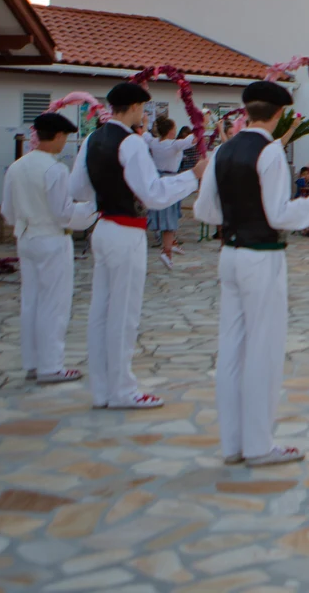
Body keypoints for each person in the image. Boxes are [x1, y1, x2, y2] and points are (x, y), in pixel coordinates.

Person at [195, 81, 309, 468]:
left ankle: (233, 442)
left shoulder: (222, 151)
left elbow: (205, 211)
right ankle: (259, 444)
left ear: (246, 111)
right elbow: (279, 214)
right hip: (261, 256)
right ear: (280, 115)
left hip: (229, 252)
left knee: (231, 348)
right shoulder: (270, 152)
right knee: (262, 348)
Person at [72, 82, 206, 409]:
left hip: (102, 227)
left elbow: (77, 187)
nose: (144, 114)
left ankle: (103, 388)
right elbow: (153, 193)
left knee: (101, 310)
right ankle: (122, 390)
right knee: (124, 312)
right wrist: (193, 176)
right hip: (126, 231)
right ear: (134, 107)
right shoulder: (130, 142)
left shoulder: (92, 138)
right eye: (143, 108)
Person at [4, 113, 98, 383]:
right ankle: (51, 365)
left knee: (31, 300)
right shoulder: (55, 169)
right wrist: (92, 209)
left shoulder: (17, 166)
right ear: (57, 136)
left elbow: (7, 211)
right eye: (64, 137)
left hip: (25, 237)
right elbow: (63, 212)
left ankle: (33, 361)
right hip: (52, 238)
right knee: (54, 303)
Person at [143, 115, 198, 270]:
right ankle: (166, 252)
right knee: (170, 217)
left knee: (164, 214)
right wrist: (200, 123)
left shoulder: (155, 142)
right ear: (170, 131)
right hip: (171, 180)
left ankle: (168, 246)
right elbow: (192, 140)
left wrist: (145, 123)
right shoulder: (173, 145)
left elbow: (145, 135)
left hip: (157, 178)